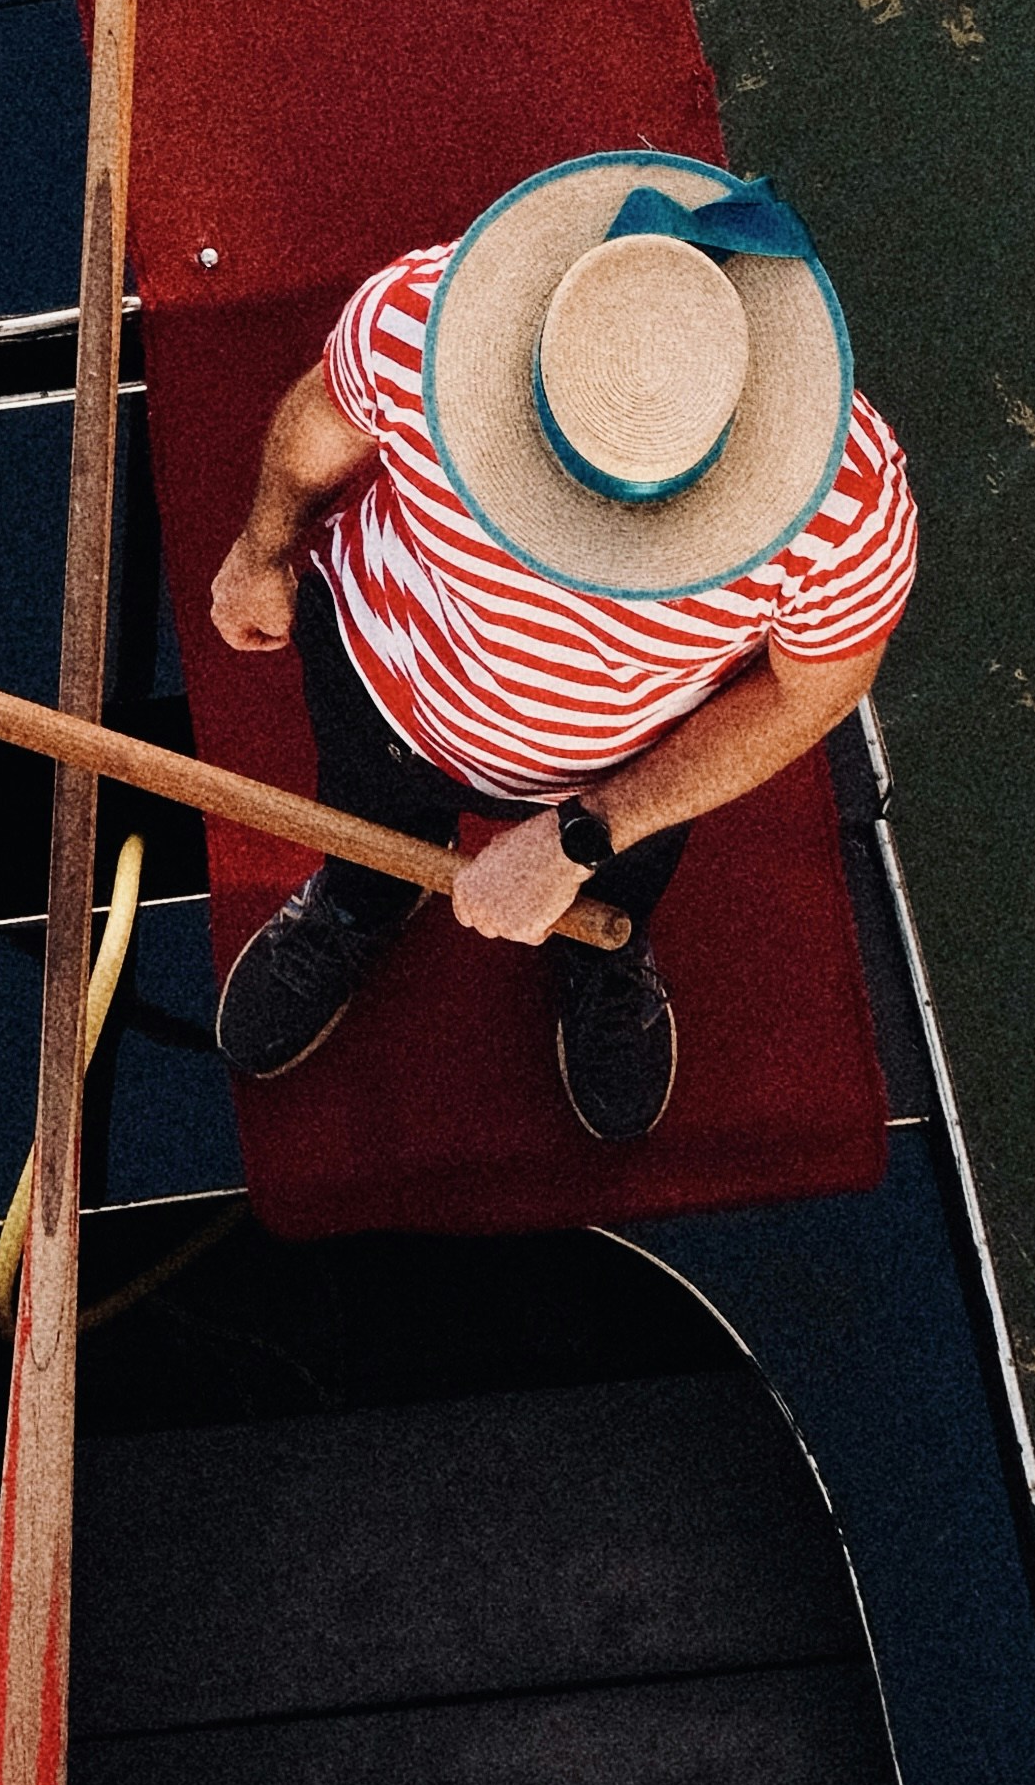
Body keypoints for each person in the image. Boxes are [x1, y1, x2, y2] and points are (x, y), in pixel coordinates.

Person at [208, 151, 915, 1143]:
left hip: (627, 762)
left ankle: (599, 950)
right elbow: (320, 420)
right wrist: (262, 546)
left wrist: (587, 832)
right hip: (382, 669)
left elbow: (812, 693)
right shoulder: (419, 319)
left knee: (620, 880)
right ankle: (361, 900)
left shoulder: (848, 503)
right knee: (363, 812)